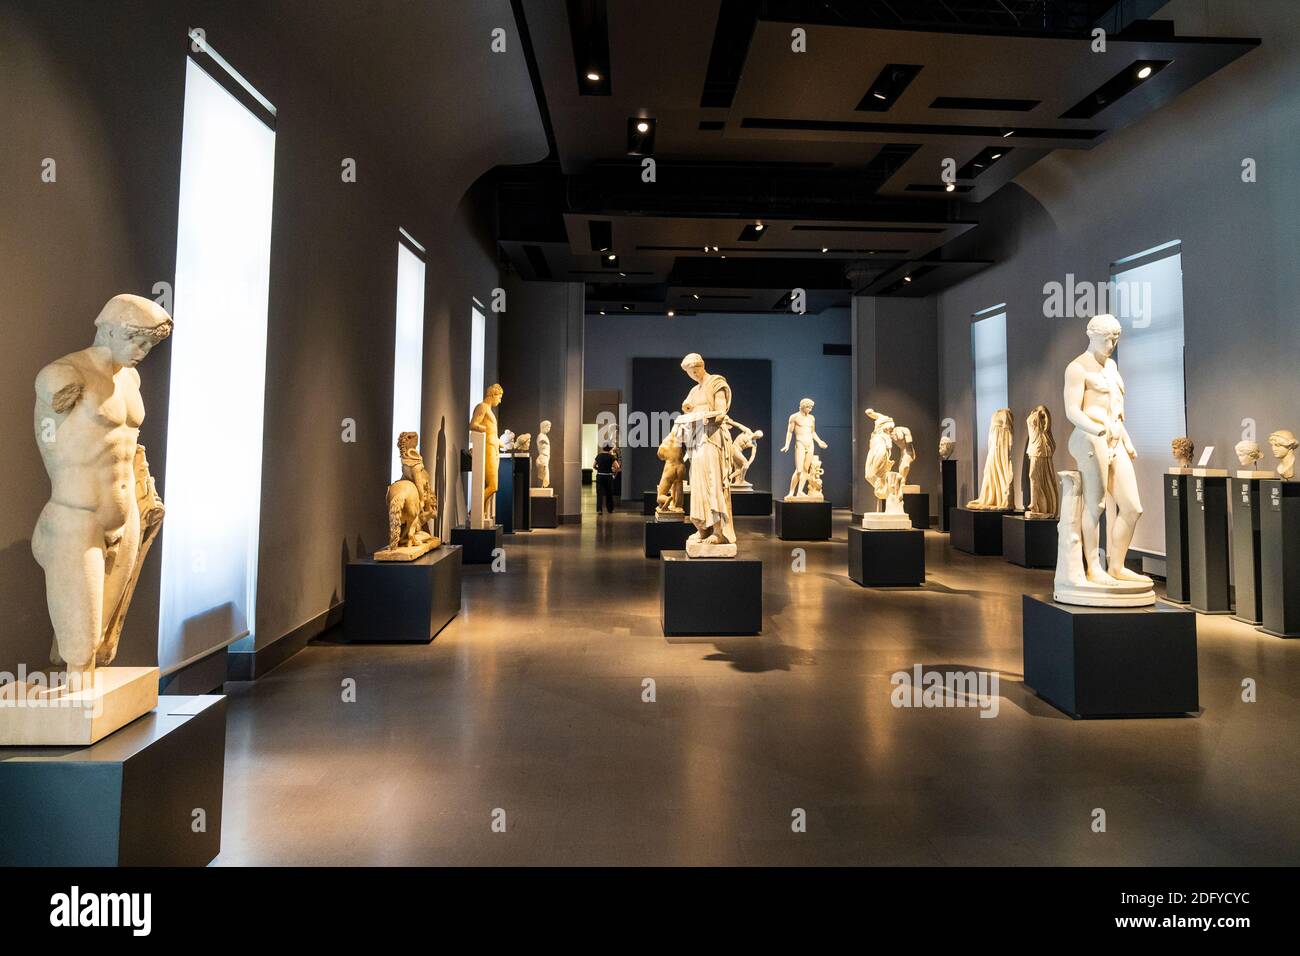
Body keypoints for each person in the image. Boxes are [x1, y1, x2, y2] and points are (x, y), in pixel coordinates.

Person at [594, 444, 617, 514]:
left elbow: (594, 466)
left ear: (603, 448)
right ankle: (610, 509)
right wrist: (613, 474)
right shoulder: (611, 456)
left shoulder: (599, 456)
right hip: (608, 476)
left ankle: (599, 510)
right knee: (609, 493)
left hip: (600, 476)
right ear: (610, 449)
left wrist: (599, 469)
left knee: (599, 494)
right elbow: (617, 467)